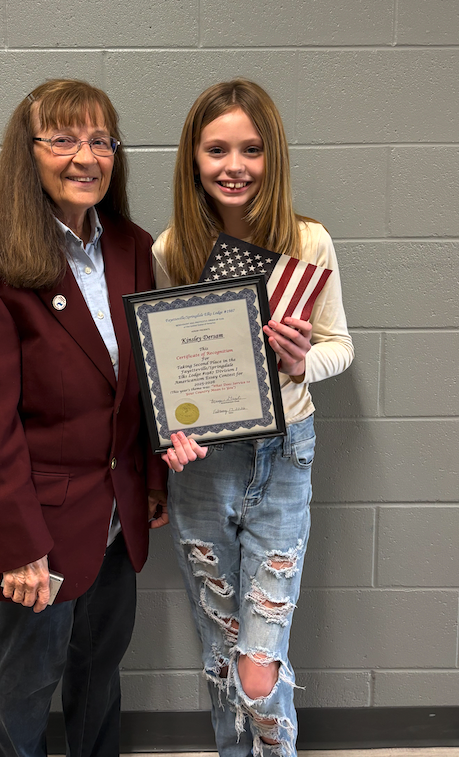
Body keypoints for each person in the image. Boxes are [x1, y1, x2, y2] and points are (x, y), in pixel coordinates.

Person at [0, 79, 167, 757]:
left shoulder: (131, 247)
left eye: (100, 139)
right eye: (62, 138)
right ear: (26, 153)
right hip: (36, 532)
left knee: (100, 680)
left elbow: (147, 384)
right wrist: (16, 545)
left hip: (116, 516)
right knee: (23, 693)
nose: (85, 155)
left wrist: (153, 478)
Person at [152, 79, 354, 757]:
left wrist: (301, 362)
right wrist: (168, 434)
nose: (233, 164)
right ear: (193, 158)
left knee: (257, 660)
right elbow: (164, 370)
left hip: (282, 456)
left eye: (250, 148)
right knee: (220, 648)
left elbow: (340, 347)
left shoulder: (307, 241)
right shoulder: (170, 249)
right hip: (205, 468)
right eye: (216, 148)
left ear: (272, 157)